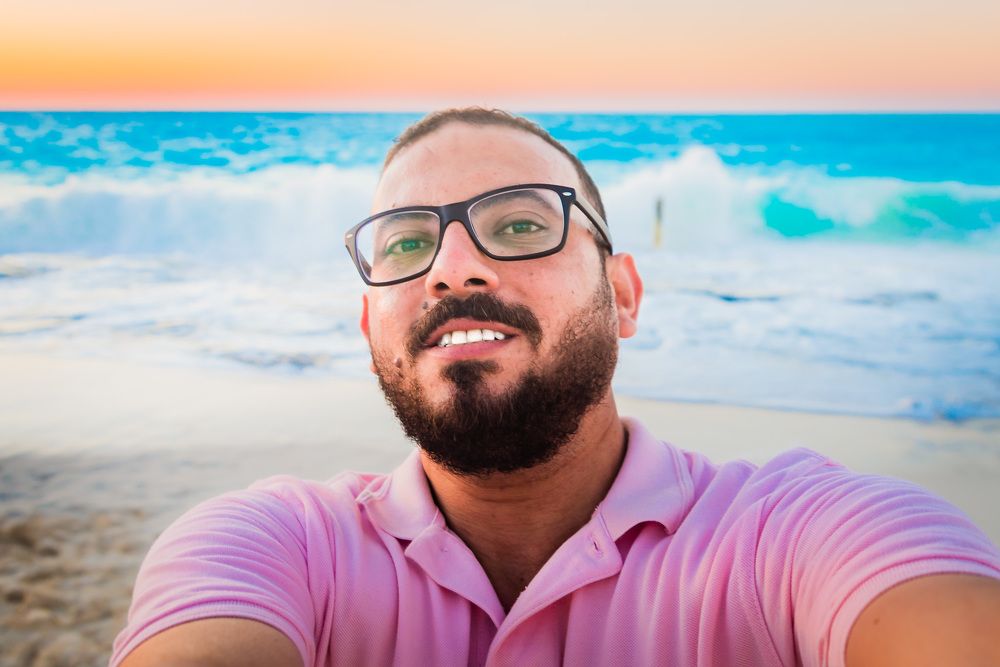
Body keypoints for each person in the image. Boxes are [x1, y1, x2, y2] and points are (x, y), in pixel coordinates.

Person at [111, 108, 1000, 667]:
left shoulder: (792, 536)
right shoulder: (274, 547)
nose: (452, 268)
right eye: (407, 243)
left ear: (622, 295)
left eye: (520, 224)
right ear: (369, 326)